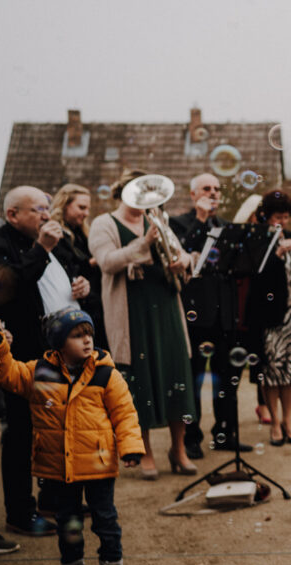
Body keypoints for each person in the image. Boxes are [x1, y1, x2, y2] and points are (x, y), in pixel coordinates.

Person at [0, 310, 144, 565]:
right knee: (67, 523)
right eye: (77, 335)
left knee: (105, 521)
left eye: (89, 334)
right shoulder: (39, 372)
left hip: (98, 464)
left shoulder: (106, 373)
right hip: (58, 466)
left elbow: (125, 414)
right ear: (58, 342)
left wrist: (131, 448)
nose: (87, 341)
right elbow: (9, 374)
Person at [0, 186, 91, 539]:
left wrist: (83, 286)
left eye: (48, 209)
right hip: (22, 357)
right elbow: (9, 286)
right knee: (21, 432)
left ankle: (51, 498)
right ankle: (20, 512)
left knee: (55, 427)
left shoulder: (56, 242)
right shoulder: (1, 244)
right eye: (38, 210)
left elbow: (77, 273)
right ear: (13, 215)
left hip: (59, 353)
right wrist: (42, 249)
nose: (47, 216)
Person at [89, 170, 198, 480]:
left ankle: (178, 450)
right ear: (122, 192)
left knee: (177, 374)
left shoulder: (157, 217)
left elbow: (183, 255)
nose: (144, 202)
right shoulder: (104, 223)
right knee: (141, 382)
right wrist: (144, 242)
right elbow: (107, 261)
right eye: (136, 194)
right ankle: (146, 451)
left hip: (165, 307)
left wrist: (183, 262)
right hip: (132, 311)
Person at [172, 173, 251, 458]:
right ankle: (191, 438)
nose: (213, 192)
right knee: (193, 379)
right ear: (193, 195)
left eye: (217, 189)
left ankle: (224, 433)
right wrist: (201, 221)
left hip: (225, 314)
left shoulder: (229, 227)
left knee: (227, 378)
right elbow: (183, 256)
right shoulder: (178, 223)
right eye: (207, 188)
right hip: (195, 314)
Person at [245, 191, 291, 446]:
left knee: (290, 370)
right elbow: (256, 277)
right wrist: (275, 256)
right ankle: (274, 422)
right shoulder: (257, 240)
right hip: (268, 317)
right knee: (271, 372)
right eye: (278, 217)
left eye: (286, 217)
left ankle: (288, 420)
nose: (282, 222)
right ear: (266, 216)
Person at [49, 184, 108, 350]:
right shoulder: (55, 234)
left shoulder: (85, 235)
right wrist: (94, 262)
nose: (86, 213)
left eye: (88, 208)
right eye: (81, 207)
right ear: (64, 204)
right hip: (74, 307)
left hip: (94, 303)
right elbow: (70, 267)